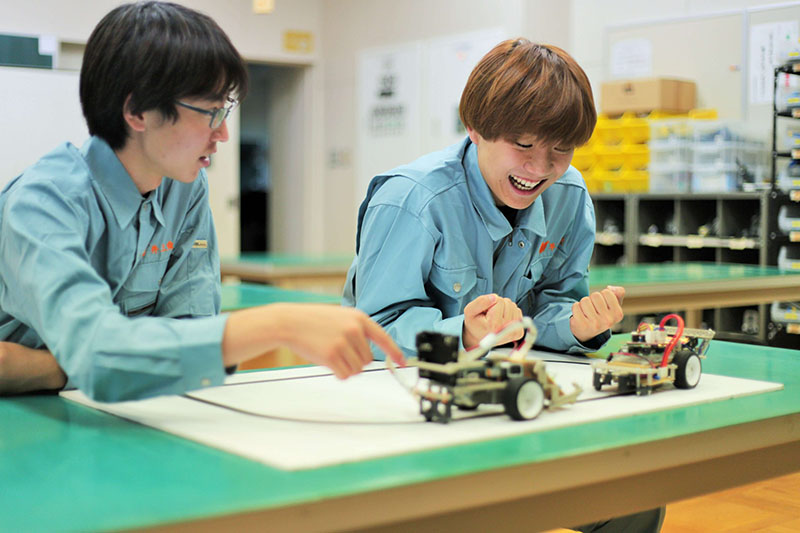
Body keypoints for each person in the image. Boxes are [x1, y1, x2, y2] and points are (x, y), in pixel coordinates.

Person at [0, 1, 402, 401]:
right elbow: (101, 356)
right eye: (209, 111)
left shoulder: (184, 186)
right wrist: (277, 324)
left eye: (225, 110)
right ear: (137, 111)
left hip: (119, 411)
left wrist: (49, 367)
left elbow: (186, 330)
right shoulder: (43, 204)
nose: (223, 133)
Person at [344, 38, 663, 532]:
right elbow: (370, 329)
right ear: (475, 128)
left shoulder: (570, 197)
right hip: (407, 406)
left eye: (561, 148)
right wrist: (465, 335)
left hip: (511, 395)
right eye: (523, 144)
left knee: (631, 497)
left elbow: (553, 303)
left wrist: (577, 325)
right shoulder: (412, 199)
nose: (540, 169)